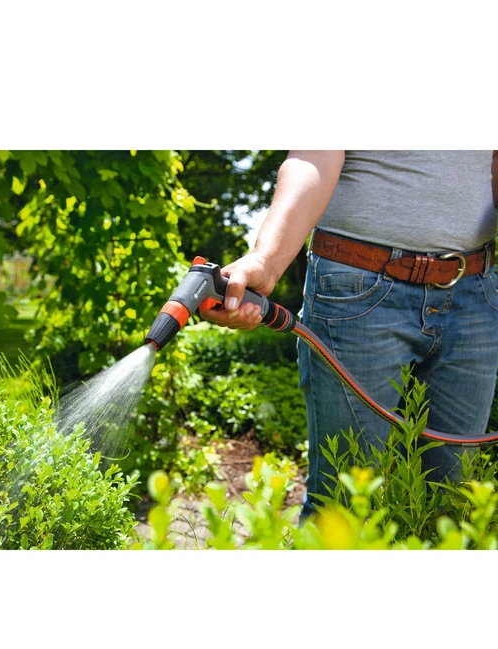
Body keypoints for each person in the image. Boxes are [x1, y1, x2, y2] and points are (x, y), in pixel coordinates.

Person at [201, 151, 498, 517]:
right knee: (342, 504)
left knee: (454, 503)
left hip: (475, 290)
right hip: (359, 287)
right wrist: (266, 259)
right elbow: (315, 155)